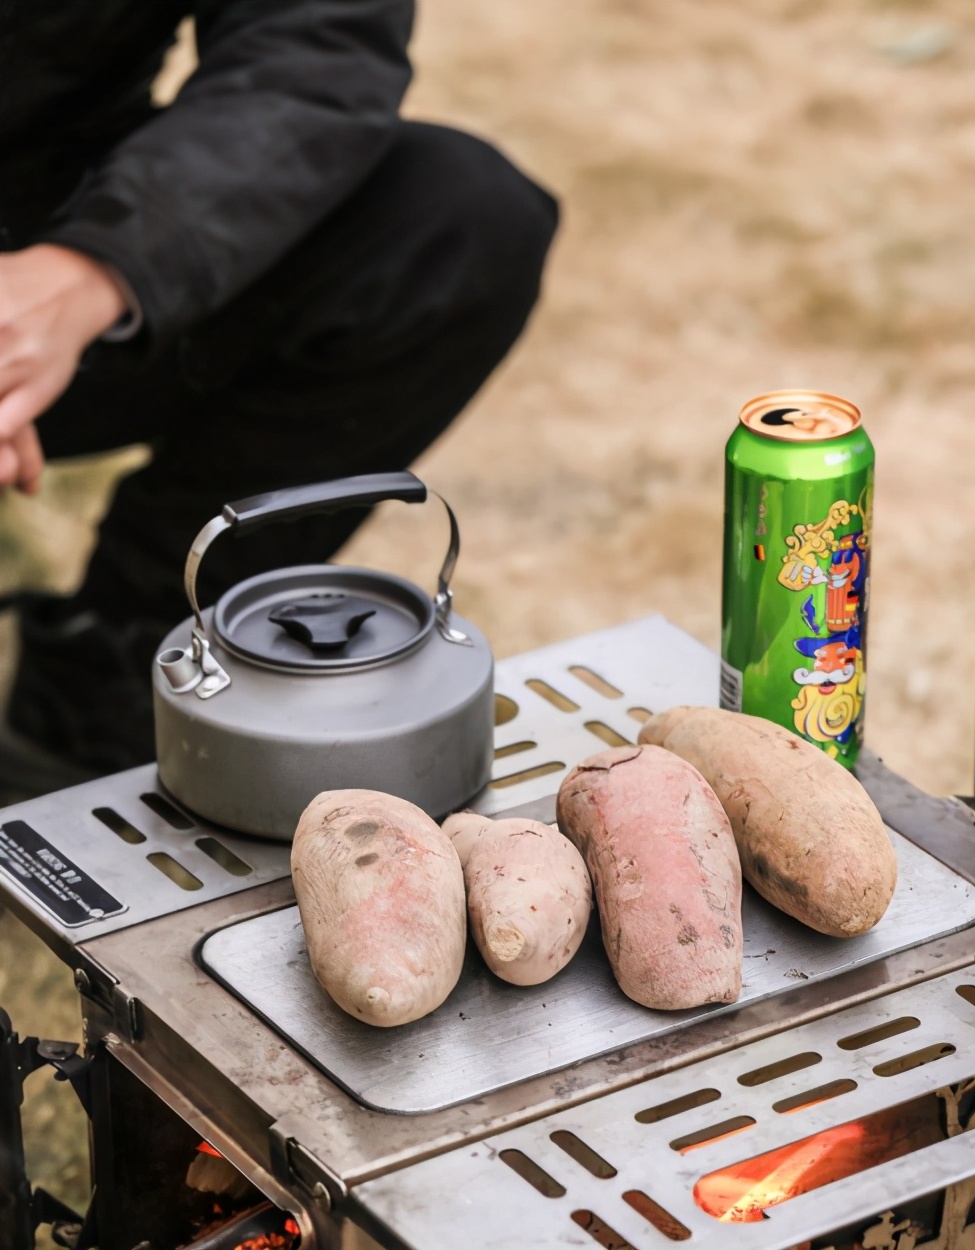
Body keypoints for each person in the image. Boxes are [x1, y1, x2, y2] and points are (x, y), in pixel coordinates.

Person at [0, 2, 558, 804]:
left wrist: (96, 267)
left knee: (454, 224)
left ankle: (114, 676)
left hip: (60, 234)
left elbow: (314, 41)